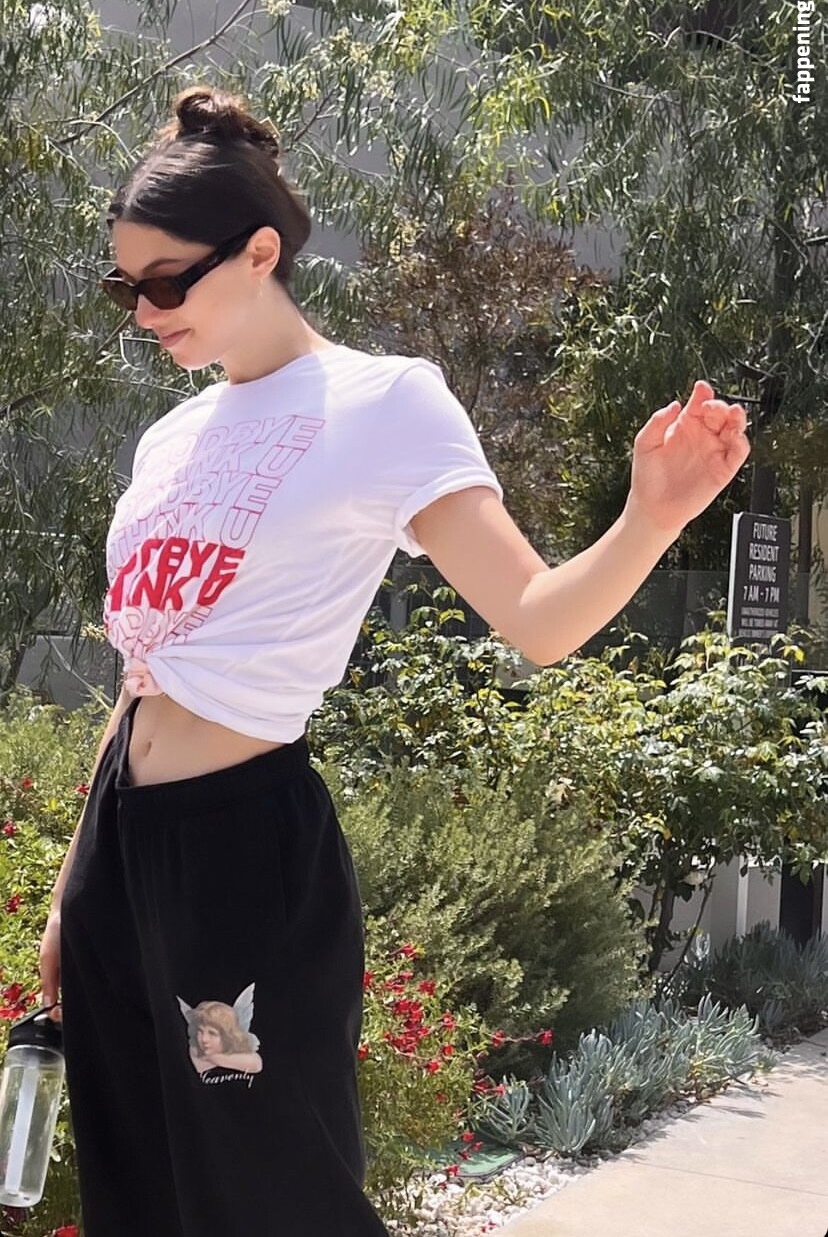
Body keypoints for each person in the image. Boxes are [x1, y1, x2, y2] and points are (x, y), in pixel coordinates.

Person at [38, 84, 751, 1237]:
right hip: (124, 844)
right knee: (138, 1186)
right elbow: (142, 677)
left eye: (165, 282)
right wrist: (78, 883)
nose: (142, 312)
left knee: (275, 1192)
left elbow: (536, 618)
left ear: (259, 252)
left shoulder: (383, 403)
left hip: (244, 847)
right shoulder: (170, 437)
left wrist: (650, 517)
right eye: (126, 288)